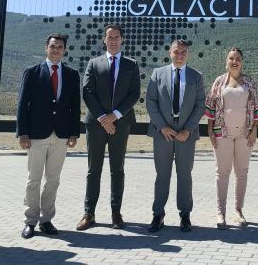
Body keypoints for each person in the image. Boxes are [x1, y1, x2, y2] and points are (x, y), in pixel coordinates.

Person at [77, 24, 141, 230]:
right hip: (96, 124)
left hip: (121, 124)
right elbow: (87, 92)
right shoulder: (93, 63)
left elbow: (134, 94)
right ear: (104, 40)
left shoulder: (131, 65)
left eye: (116, 37)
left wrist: (114, 116)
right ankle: (89, 213)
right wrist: (104, 118)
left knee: (117, 170)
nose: (113, 40)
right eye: (109, 37)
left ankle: (116, 213)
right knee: (93, 170)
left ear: (122, 40)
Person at [16, 33, 81, 239]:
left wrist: (73, 133)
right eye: (53, 46)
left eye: (60, 47)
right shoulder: (32, 73)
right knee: (33, 179)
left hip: (61, 135)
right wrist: (23, 133)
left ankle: (46, 220)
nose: (56, 50)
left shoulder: (71, 75)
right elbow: (22, 104)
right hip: (36, 135)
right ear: (46, 48)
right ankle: (30, 221)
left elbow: (74, 106)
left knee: (53, 179)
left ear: (64, 50)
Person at [145, 40, 206, 233]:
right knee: (162, 175)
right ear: (170, 52)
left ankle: (185, 215)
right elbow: (151, 101)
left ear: (188, 54)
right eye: (176, 51)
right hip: (163, 133)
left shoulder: (197, 76)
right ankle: (158, 214)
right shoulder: (157, 74)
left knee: (185, 176)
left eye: (183, 52)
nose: (180, 55)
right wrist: (162, 126)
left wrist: (188, 129)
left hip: (186, 134)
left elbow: (200, 104)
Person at [204, 47, 258, 229]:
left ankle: (238, 210)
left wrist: (255, 129)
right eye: (231, 58)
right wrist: (210, 131)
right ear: (226, 61)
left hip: (245, 134)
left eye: (238, 58)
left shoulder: (249, 82)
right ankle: (220, 213)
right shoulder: (219, 82)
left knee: (242, 173)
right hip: (222, 133)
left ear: (242, 61)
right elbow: (210, 106)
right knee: (222, 174)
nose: (234, 61)